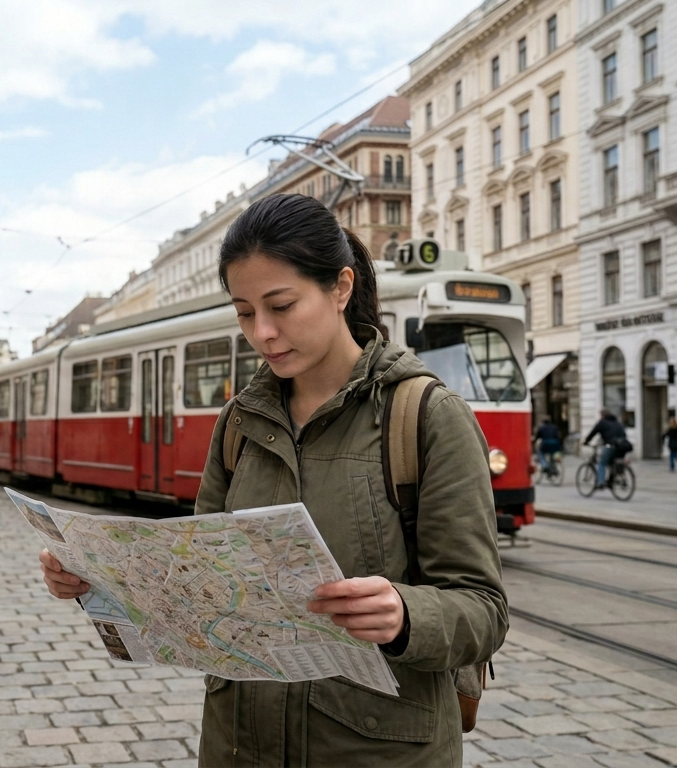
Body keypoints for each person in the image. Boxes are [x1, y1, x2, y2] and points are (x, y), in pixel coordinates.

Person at [39, 194, 507, 766]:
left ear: (340, 288)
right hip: (241, 743)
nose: (262, 332)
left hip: (374, 748)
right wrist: (99, 580)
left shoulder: (427, 416)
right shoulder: (239, 422)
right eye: (243, 312)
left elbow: (483, 609)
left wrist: (407, 615)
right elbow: (195, 582)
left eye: (281, 306)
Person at [583, 410, 630, 487]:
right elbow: (624, 434)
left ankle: (601, 482)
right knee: (613, 462)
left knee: (602, 463)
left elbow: (593, 433)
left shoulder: (602, 422)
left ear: (602, 415)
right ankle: (613, 479)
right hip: (622, 446)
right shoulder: (617, 423)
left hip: (610, 445)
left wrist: (586, 441)